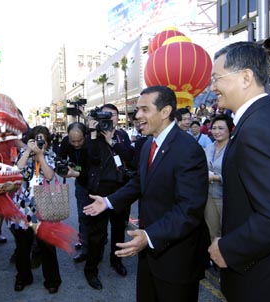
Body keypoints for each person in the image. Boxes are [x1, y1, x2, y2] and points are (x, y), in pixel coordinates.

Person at [84, 85, 210, 302]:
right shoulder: (148, 144)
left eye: (144, 109)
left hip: (175, 257)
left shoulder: (188, 150)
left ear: (165, 112)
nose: (137, 115)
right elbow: (140, 182)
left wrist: (150, 236)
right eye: (137, 110)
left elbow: (189, 209)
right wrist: (108, 201)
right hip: (148, 251)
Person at [208, 41, 270, 301]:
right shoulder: (264, 118)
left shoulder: (257, 128)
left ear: (246, 77)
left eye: (217, 78)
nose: (213, 87)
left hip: (260, 278)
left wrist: (228, 248)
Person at [83, 104, 134, 290]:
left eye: (112, 115)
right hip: (100, 192)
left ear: (117, 117)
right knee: (97, 234)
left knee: (119, 230)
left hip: (121, 190)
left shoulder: (122, 135)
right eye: (105, 115)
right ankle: (91, 270)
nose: (108, 119)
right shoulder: (94, 136)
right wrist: (94, 132)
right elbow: (91, 159)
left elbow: (129, 156)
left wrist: (113, 141)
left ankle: (117, 261)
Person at [10, 126, 61, 294]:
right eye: (36, 140)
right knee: (22, 247)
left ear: (47, 142)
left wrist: (40, 156)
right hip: (23, 208)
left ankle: (52, 279)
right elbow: (17, 171)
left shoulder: (50, 155)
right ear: (30, 140)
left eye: (43, 140)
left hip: (44, 207)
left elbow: (49, 175)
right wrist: (27, 151)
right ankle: (23, 277)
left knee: (47, 246)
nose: (39, 143)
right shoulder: (22, 154)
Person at [57, 122, 89, 263]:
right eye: (73, 141)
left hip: (97, 184)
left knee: (98, 218)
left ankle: (96, 242)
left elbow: (93, 168)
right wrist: (62, 164)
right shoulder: (66, 142)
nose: (76, 144)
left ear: (86, 136)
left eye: (79, 140)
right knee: (83, 215)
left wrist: (77, 172)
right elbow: (60, 157)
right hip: (81, 184)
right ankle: (85, 245)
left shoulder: (93, 143)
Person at [204, 114, 233, 242]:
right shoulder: (209, 148)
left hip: (226, 197)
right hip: (209, 195)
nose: (216, 131)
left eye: (221, 128)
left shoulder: (234, 148)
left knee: (227, 232)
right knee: (211, 231)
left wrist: (216, 177)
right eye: (214, 128)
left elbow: (237, 175)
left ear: (230, 129)